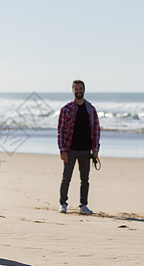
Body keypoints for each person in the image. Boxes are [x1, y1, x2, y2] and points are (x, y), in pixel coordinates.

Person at [57, 80, 100, 214]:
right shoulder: (66, 109)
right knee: (66, 178)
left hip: (86, 150)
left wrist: (95, 149)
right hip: (70, 149)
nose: (78, 90)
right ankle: (63, 204)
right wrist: (62, 150)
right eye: (76, 88)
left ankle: (83, 205)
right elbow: (61, 130)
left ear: (84, 90)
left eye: (80, 88)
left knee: (85, 180)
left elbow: (96, 130)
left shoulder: (91, 109)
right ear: (73, 90)